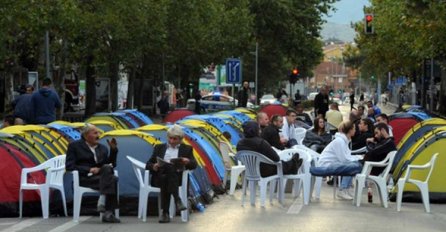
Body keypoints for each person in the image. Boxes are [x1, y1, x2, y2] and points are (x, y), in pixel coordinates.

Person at [65, 123, 120, 223]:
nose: (98, 135)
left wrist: (113, 151)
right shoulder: (74, 146)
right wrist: (88, 169)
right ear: (86, 135)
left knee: (108, 170)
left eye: (98, 132)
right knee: (113, 179)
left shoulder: (102, 148)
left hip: (100, 177)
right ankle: (108, 212)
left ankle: (103, 201)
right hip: (85, 178)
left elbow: (111, 165)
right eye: (95, 133)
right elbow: (69, 166)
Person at [145, 125, 197, 223]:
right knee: (167, 170)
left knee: (168, 174)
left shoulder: (187, 149)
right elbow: (147, 164)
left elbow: (194, 164)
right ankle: (177, 199)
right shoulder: (159, 147)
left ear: (180, 139)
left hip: (177, 178)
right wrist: (154, 166)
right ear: (167, 137)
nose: (172, 141)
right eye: (170, 138)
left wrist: (188, 161)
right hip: (159, 177)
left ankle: (165, 213)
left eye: (175, 139)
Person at [313, 121, 363, 200]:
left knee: (354, 164)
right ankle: (342, 190)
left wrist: (358, 157)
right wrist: (359, 158)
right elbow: (344, 159)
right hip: (326, 165)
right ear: (349, 130)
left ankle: (346, 188)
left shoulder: (344, 141)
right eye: (354, 129)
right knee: (351, 165)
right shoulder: (340, 141)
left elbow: (347, 156)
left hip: (333, 164)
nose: (355, 130)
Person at [237, 121, 302, 177]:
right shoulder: (261, 142)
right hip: (265, 172)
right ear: (256, 130)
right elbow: (276, 158)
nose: (260, 131)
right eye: (259, 129)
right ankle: (293, 163)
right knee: (280, 164)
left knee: (281, 165)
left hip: (249, 171)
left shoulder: (239, 143)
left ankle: (293, 165)